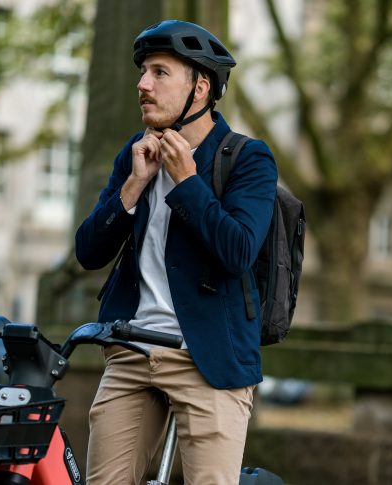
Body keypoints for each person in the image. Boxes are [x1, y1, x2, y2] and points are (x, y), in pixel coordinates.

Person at [74, 19, 277, 485]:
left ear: (200, 87)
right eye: (143, 72)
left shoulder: (247, 158)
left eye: (160, 73)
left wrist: (187, 182)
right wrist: (133, 187)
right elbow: (88, 253)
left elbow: (238, 251)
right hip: (131, 348)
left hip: (208, 359)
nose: (143, 85)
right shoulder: (135, 153)